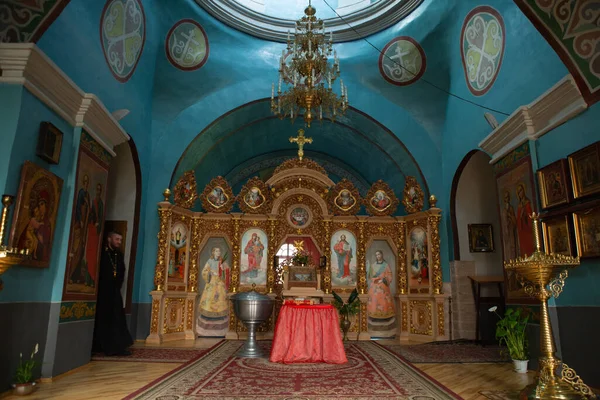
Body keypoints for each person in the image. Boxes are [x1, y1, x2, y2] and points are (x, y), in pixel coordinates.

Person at [93, 231, 133, 356]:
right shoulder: (102, 253)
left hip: (114, 291)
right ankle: (100, 346)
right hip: (103, 292)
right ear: (109, 239)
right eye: (117, 239)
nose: (119, 242)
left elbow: (121, 271)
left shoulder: (118, 255)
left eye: (120, 240)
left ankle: (117, 346)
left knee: (117, 318)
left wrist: (117, 285)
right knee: (103, 318)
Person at [197, 247, 230, 336]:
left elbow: (227, 272)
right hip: (212, 282)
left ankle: (221, 320)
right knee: (209, 298)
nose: (218, 252)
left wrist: (223, 269)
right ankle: (207, 319)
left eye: (219, 251)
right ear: (213, 252)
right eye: (216, 251)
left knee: (220, 298)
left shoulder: (222, 261)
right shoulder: (210, 261)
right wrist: (211, 273)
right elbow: (204, 271)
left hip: (219, 282)